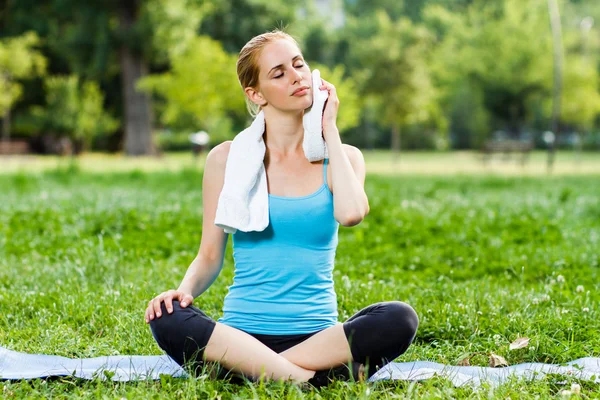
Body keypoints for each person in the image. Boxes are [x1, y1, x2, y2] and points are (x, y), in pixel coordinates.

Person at [145, 30, 418, 388]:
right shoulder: (225, 160)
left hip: (318, 340)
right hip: (240, 335)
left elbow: (351, 214)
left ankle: (254, 372)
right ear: (256, 94)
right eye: (278, 73)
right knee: (167, 317)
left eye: (299, 64)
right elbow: (210, 256)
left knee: (400, 318)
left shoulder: (344, 157)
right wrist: (183, 293)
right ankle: (310, 381)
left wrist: (329, 129)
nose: (296, 76)